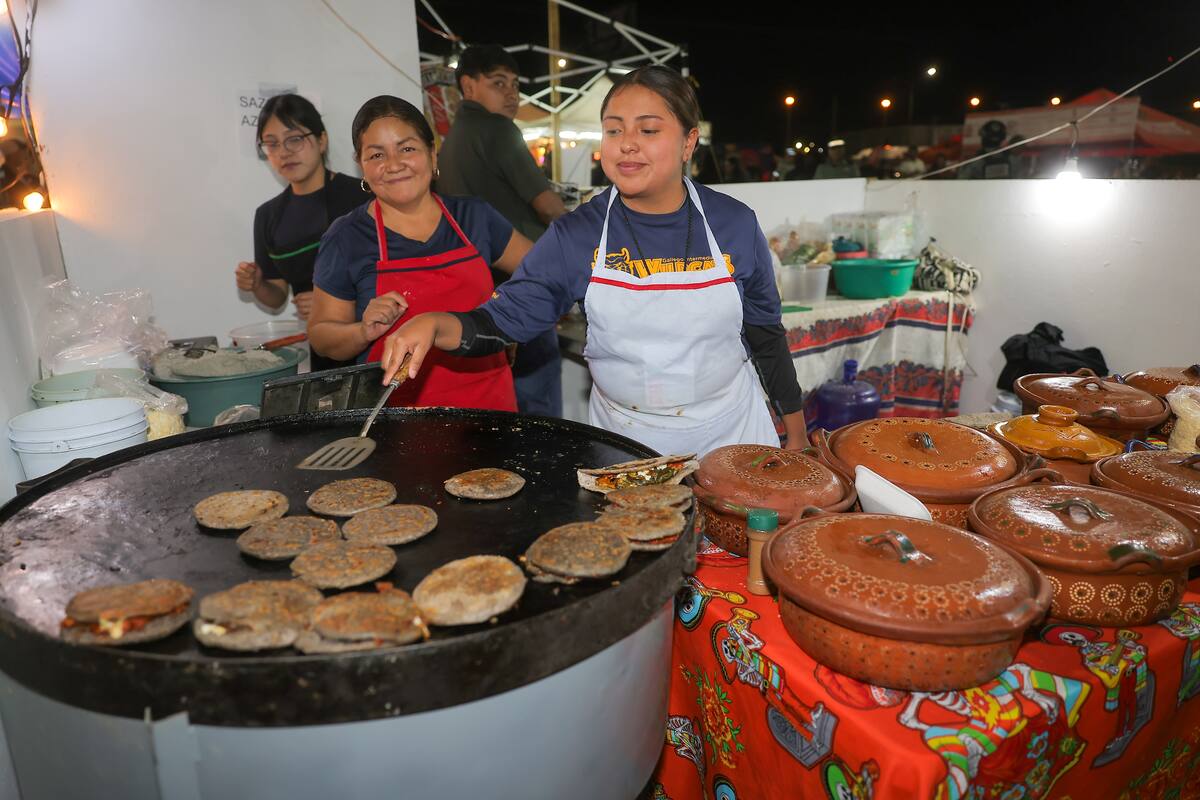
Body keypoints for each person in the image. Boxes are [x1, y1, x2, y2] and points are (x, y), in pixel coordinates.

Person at [378, 66, 806, 457]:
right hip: (627, 440)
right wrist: (435, 323)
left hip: (731, 432)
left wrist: (797, 434)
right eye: (614, 130)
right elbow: (506, 320)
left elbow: (765, 334)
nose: (627, 145)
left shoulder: (733, 223)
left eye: (649, 130)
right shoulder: (577, 234)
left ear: (688, 142)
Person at [308, 95, 532, 411]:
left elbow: (542, 275)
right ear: (362, 166)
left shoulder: (475, 217)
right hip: (395, 421)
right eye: (376, 155)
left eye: (407, 148)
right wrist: (362, 331)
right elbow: (321, 336)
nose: (394, 164)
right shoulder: (346, 237)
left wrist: (509, 323)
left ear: (431, 151)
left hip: (490, 409)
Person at [437, 44, 567, 418]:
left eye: (514, 84)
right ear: (469, 85)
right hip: (523, 283)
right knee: (539, 399)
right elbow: (549, 207)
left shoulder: (452, 140)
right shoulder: (498, 130)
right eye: (498, 83)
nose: (511, 93)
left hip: (478, 292)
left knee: (505, 403)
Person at [235, 94, 364, 372]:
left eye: (294, 138)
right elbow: (277, 296)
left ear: (321, 140)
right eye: (271, 143)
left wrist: (331, 301)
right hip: (322, 351)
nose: (284, 151)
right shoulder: (268, 216)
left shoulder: (360, 196)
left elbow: (392, 270)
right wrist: (258, 284)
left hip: (372, 341)